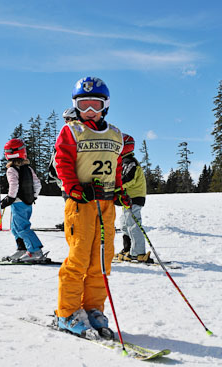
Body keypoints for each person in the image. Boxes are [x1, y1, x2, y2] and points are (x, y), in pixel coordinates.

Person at [54, 76, 131, 338]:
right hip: (81, 205)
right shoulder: (72, 131)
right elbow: (62, 163)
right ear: (75, 105)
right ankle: (67, 312)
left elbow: (116, 166)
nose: (89, 111)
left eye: (94, 105)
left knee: (101, 260)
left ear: (105, 106)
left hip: (106, 205)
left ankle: (93, 308)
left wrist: (120, 190)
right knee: (78, 260)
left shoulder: (115, 134)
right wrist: (75, 188)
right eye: (83, 105)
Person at [0, 138, 44, 261]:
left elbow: (14, 185)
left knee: (22, 228)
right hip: (27, 203)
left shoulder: (11, 170)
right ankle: (22, 249)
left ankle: (35, 251)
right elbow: (38, 184)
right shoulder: (28, 169)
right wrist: (33, 196)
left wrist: (10, 198)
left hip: (18, 202)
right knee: (16, 228)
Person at [115, 134, 154, 264]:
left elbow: (128, 179)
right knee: (125, 224)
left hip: (134, 197)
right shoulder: (124, 161)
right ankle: (127, 249)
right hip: (127, 198)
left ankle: (138, 253)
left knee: (133, 225)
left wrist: (115, 188)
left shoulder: (130, 162)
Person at [47, 107, 77, 230]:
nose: (66, 122)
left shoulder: (76, 133)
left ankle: (73, 223)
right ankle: (69, 221)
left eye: (69, 119)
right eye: (65, 119)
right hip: (64, 179)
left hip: (72, 179)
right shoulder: (66, 133)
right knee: (68, 203)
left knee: (72, 203)